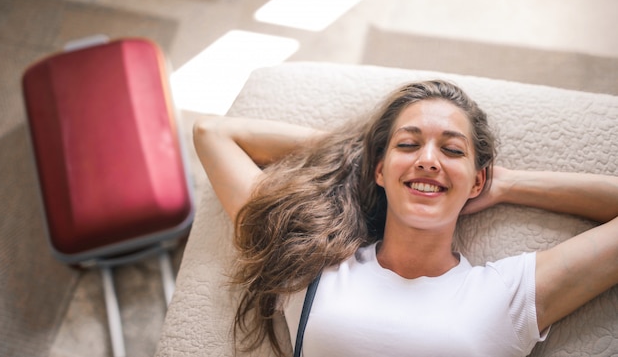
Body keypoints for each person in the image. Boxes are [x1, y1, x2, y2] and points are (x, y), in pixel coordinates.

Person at [193, 80, 618, 357]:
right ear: (378, 170)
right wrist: (356, 157)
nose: (429, 160)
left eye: (452, 151)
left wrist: (507, 185)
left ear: (477, 180)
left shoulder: (507, 295)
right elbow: (213, 134)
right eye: (409, 144)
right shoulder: (314, 262)